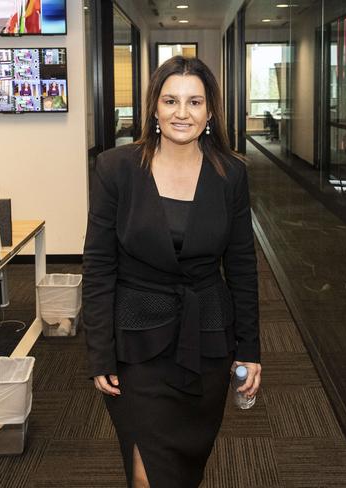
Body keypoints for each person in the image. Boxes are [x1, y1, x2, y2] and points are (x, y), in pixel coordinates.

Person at [82, 56, 262, 488]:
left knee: (183, 470)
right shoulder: (116, 168)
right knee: (147, 474)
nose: (182, 113)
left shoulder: (231, 173)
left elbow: (241, 265)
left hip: (207, 339)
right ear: (154, 109)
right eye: (171, 100)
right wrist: (99, 352)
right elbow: (99, 266)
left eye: (194, 102)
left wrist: (250, 347)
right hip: (136, 343)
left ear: (210, 111)